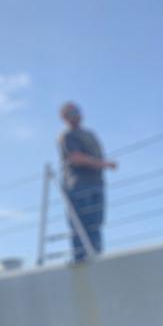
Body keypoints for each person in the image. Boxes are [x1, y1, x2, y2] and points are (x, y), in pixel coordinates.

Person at [58, 102, 118, 262]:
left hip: (96, 185)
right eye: (69, 113)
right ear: (64, 118)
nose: (74, 115)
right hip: (79, 187)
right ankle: (81, 257)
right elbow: (77, 158)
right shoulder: (68, 136)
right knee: (81, 226)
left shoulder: (89, 134)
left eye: (76, 112)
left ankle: (95, 255)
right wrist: (104, 164)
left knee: (96, 224)